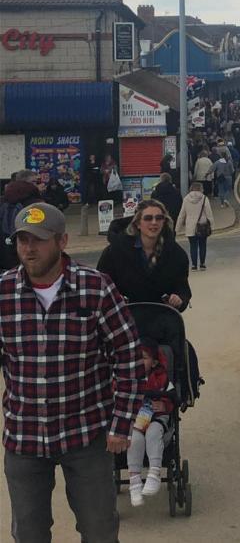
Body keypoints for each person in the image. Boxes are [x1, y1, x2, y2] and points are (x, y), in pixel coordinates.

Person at [1, 202, 145, 541]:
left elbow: (128, 356)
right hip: (25, 434)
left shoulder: (96, 288)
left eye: (38, 240)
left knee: (99, 530)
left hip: (87, 434)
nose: (29, 249)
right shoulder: (4, 292)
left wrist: (121, 424)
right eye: (22, 240)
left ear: (62, 241)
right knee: (29, 533)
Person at [98, 200, 191, 309]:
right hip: (123, 317)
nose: (154, 222)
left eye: (159, 218)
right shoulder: (114, 251)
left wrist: (179, 298)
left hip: (162, 317)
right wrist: (114, 299)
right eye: (148, 218)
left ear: (164, 222)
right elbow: (100, 285)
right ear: (137, 223)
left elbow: (182, 287)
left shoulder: (176, 254)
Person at [127, 337, 174, 507]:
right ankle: (135, 482)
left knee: (154, 432)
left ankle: (154, 472)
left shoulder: (161, 379)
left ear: (154, 362)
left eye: (144, 358)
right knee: (134, 438)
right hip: (136, 420)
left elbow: (174, 397)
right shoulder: (127, 379)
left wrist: (164, 403)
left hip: (157, 416)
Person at [0, 169, 43, 270]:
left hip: (4, 257)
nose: (39, 184)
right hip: (28, 259)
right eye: (36, 182)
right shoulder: (35, 204)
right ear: (27, 183)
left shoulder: (3, 201)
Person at [175, 181, 215, 270]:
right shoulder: (204, 198)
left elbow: (182, 214)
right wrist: (212, 225)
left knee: (193, 246)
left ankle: (193, 265)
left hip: (190, 226)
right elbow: (209, 213)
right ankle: (202, 264)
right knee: (202, 245)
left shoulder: (186, 199)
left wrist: (177, 228)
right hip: (202, 226)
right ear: (201, 189)